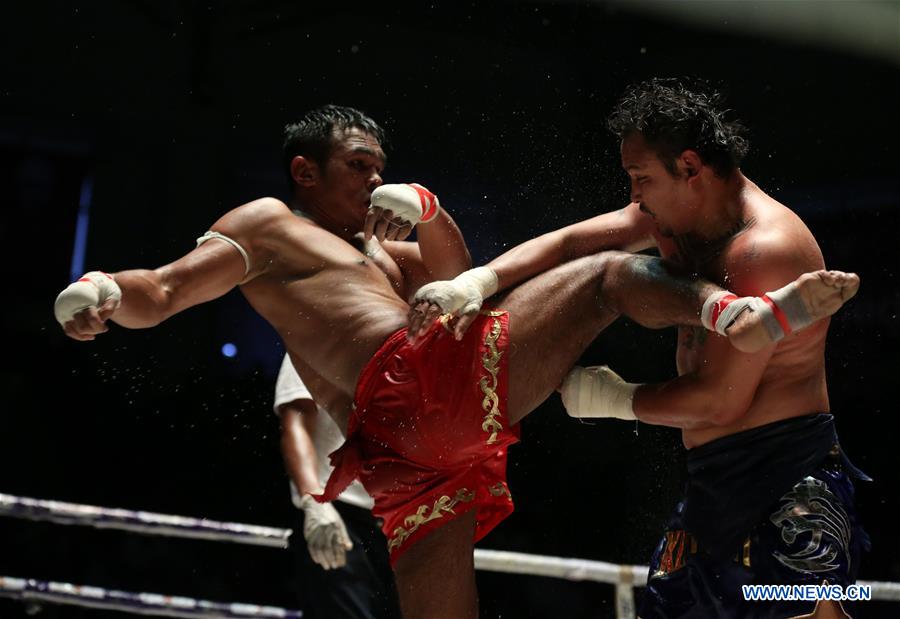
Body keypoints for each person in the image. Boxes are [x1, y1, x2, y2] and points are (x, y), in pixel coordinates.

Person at [54, 103, 854, 619]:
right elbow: (160, 290)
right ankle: (731, 312)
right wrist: (101, 291)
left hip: (421, 459)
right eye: (360, 164)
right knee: (610, 279)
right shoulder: (266, 226)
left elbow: (458, 291)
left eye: (381, 165)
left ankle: (740, 319)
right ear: (305, 173)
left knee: (808, 604)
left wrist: (433, 218)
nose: (375, 178)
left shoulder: (383, 256)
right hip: (412, 409)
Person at [412, 78, 865, 618]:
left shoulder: (763, 250)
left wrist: (613, 399)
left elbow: (722, 403)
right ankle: (733, 314)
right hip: (709, 477)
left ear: (691, 168)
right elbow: (574, 242)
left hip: (788, 476)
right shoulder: (675, 220)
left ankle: (741, 314)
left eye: (640, 178)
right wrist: (478, 283)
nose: (634, 195)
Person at [275, 353, 400, 619]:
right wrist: (313, 501)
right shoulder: (310, 336)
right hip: (339, 517)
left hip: (403, 519)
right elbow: (296, 421)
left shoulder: (414, 342)